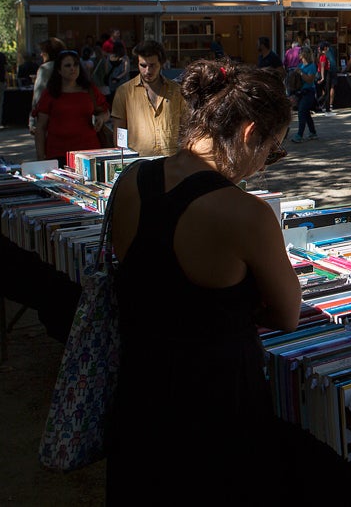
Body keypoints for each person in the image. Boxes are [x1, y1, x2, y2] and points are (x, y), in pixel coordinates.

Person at [105, 60, 301, 503]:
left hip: (141, 392)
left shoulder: (133, 179)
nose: (266, 163)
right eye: (272, 149)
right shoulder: (246, 213)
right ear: (250, 133)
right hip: (215, 404)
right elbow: (288, 315)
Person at [33, 50, 110, 165]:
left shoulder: (90, 90)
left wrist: (102, 118)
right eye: (68, 65)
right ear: (59, 70)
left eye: (75, 64)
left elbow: (106, 111)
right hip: (58, 153)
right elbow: (40, 127)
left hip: (89, 151)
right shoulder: (50, 94)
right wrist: (40, 157)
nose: (73, 68)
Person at [110, 40, 186, 157]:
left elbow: (186, 127)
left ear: (161, 64)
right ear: (137, 64)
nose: (148, 71)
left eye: (152, 65)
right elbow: (119, 134)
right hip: (138, 162)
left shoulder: (177, 91)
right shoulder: (124, 92)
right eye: (143, 65)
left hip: (171, 161)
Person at [30, 37, 66, 133]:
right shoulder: (72, 66)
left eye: (43, 51)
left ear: (49, 52)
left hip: (50, 117)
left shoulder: (45, 69)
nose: (41, 54)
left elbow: (38, 96)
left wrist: (32, 121)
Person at [290, 46, 318, 142]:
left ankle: (299, 135)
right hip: (301, 92)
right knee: (305, 113)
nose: (298, 55)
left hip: (309, 92)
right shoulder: (300, 65)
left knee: (302, 112)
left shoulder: (312, 66)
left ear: (304, 55)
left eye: (300, 53)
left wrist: (301, 73)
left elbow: (310, 80)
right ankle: (313, 132)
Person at [317, 40, 335, 115]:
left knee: (326, 91)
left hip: (324, 73)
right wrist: (323, 77)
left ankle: (326, 106)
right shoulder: (323, 56)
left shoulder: (321, 55)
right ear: (325, 48)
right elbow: (322, 67)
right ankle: (318, 102)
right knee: (326, 91)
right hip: (325, 73)